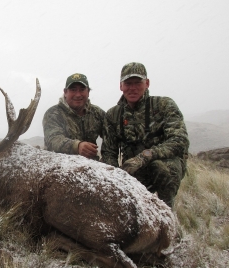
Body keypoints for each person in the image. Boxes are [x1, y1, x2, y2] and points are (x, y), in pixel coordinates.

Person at [101, 62, 189, 207]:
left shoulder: (163, 105)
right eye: (128, 83)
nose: (133, 88)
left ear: (147, 83)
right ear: (121, 86)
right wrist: (114, 175)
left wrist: (145, 156)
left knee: (162, 169)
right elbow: (109, 151)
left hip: (165, 165)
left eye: (138, 83)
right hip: (133, 169)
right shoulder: (113, 115)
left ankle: (166, 213)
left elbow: (179, 140)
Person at [42, 73, 105, 160]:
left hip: (92, 167)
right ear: (65, 92)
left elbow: (111, 139)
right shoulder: (53, 113)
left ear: (88, 92)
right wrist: (77, 146)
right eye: (73, 90)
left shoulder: (97, 113)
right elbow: (53, 140)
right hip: (60, 167)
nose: (78, 94)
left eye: (82, 89)